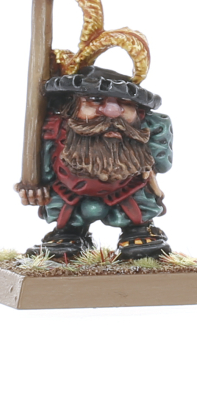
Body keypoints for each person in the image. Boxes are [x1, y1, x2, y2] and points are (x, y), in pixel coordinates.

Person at [17, 66, 173, 260]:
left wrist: (153, 161)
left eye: (125, 103)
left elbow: (162, 162)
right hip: (68, 190)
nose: (112, 111)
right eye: (95, 99)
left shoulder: (146, 129)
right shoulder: (55, 131)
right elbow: (42, 165)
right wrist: (34, 183)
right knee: (63, 209)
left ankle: (138, 230)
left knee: (140, 204)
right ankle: (68, 233)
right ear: (71, 107)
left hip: (129, 189)